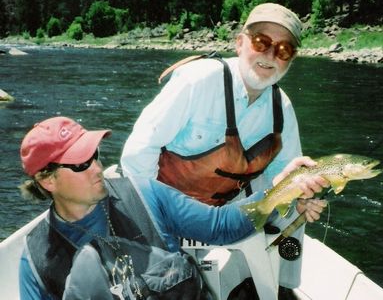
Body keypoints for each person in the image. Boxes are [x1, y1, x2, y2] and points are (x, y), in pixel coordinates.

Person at [121, 3, 326, 299]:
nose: (270, 56)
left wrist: (301, 197)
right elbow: (137, 155)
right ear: (240, 42)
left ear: (290, 60)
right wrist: (154, 228)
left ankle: (279, 287)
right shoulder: (197, 80)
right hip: (166, 206)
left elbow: (284, 176)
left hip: (227, 209)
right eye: (262, 42)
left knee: (294, 209)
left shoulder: (283, 109)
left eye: (283, 50)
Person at [18, 116, 326, 300]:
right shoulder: (35, 261)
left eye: (96, 155)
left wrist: (281, 189)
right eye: (82, 164)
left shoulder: (143, 191)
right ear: (48, 181)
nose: (97, 168)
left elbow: (221, 226)